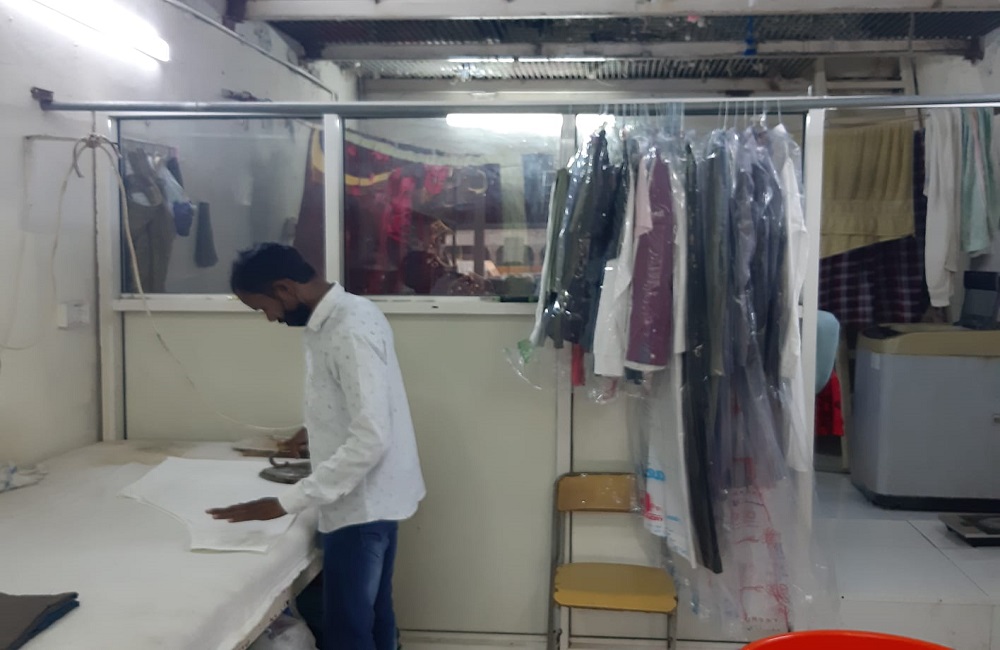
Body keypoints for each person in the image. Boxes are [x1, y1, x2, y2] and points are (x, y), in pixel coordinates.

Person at [208, 243, 425, 650]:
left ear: (284, 288)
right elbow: (357, 401)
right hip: (372, 498)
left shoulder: (348, 329)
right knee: (375, 614)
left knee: (348, 629)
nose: (270, 317)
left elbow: (371, 437)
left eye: (263, 307)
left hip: (359, 506)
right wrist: (313, 429)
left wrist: (287, 501)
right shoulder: (342, 316)